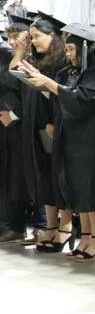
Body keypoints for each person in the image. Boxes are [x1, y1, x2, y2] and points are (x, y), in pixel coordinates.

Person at [25, 23, 95, 262]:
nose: (69, 54)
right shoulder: (68, 72)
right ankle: (85, 235)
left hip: (91, 138)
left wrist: (48, 83)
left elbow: (83, 99)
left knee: (91, 187)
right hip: (70, 136)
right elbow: (60, 99)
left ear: (86, 49)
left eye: (72, 49)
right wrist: (42, 86)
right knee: (76, 187)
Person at [5, 13, 70, 252]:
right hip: (35, 125)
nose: (34, 41)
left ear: (53, 36)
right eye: (31, 37)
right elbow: (13, 72)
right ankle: (50, 227)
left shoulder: (61, 61)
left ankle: (64, 228)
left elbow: (61, 95)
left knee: (59, 178)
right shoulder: (36, 58)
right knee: (43, 178)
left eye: (38, 37)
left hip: (54, 124)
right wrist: (21, 50)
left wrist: (52, 121)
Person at [0, 14, 34, 243]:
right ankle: (11, 225)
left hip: (22, 127)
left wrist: (12, 115)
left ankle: (21, 225)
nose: (12, 42)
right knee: (9, 178)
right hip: (7, 129)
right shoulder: (7, 57)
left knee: (21, 178)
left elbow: (27, 95)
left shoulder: (31, 59)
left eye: (16, 37)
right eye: (9, 37)